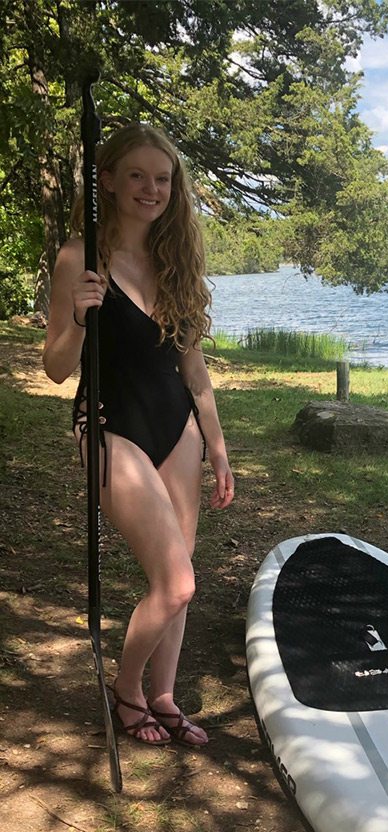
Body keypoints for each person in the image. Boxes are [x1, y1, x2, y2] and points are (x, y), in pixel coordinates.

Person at [43, 123, 234, 747]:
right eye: (137, 176)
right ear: (108, 180)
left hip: (177, 426)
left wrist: (219, 449)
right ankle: (127, 692)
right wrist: (76, 314)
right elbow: (56, 367)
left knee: (175, 583)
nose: (151, 189)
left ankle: (163, 695)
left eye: (163, 178)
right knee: (178, 580)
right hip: (109, 423)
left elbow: (194, 370)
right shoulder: (80, 257)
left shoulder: (176, 263)